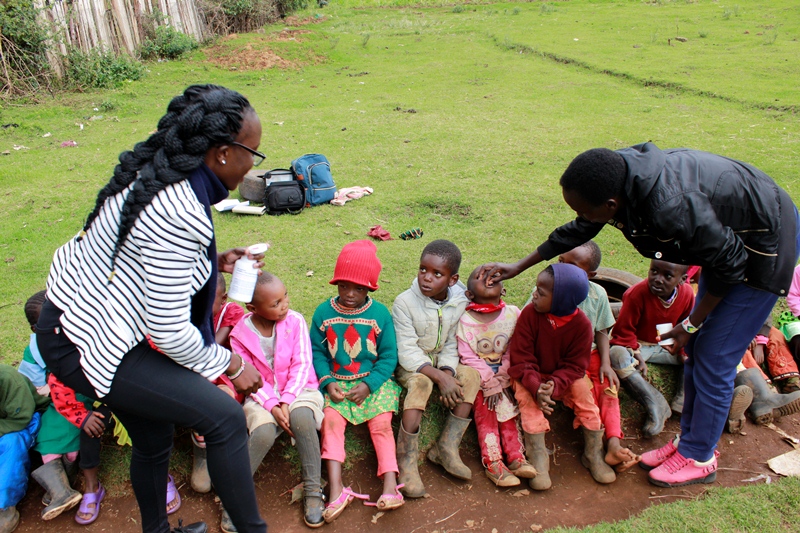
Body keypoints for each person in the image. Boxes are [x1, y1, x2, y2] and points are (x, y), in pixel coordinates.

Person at [480, 143, 800, 488]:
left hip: (763, 247)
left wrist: (691, 323)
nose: (581, 217)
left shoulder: (670, 209)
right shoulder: (617, 178)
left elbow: (732, 264)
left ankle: (699, 458)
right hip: (729, 239)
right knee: (699, 349)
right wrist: (518, 266)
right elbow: (579, 229)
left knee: (714, 354)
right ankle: (689, 443)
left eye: (585, 211)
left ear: (611, 206)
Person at [36, 84, 268, 533]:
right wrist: (233, 364)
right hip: (85, 341)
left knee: (154, 434)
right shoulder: (179, 208)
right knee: (221, 416)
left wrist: (211, 264)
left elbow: (142, 254)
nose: (252, 165)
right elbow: (168, 330)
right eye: (252, 154)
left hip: (86, 318)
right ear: (221, 154)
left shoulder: (163, 171)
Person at [311, 240, 403, 522]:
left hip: (373, 384)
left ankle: (390, 486)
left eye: (359, 288)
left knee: (382, 425)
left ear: (370, 288)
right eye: (343, 286)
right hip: (337, 383)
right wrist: (327, 382)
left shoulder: (380, 315)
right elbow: (316, 352)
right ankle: (337, 489)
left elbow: (388, 357)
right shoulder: (323, 313)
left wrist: (369, 385)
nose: (350, 294)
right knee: (330, 423)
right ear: (336, 284)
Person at [229, 273, 325, 530]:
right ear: (253, 308)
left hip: (300, 388)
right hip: (261, 395)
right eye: (275, 303)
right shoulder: (239, 335)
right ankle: (234, 499)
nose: (284, 305)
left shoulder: (295, 321)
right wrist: (272, 404)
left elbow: (302, 364)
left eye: (285, 297)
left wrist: (287, 400)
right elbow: (247, 377)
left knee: (302, 418)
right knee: (262, 433)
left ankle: (314, 490)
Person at [508, 263, 616, 489]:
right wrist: (537, 386)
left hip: (563, 378)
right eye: (536, 288)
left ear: (562, 300)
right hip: (530, 374)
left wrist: (553, 385)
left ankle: (593, 453)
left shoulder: (582, 326)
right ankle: (538, 455)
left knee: (584, 395)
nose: (534, 294)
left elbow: (576, 367)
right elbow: (521, 357)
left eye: (541, 292)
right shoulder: (530, 314)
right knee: (527, 401)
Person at [392, 239, 481, 497]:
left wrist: (449, 373)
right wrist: (438, 377)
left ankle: (446, 447)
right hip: (412, 365)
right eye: (422, 269)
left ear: (452, 280)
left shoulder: (459, 301)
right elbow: (407, 351)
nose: (426, 278)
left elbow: (454, 341)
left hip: (444, 362)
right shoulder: (404, 303)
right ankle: (406, 460)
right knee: (422, 383)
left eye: (437, 274)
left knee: (472, 376)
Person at [555, 242, 640, 471]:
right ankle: (595, 450)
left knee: (608, 385)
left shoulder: (598, 293)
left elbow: (602, 330)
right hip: (560, 359)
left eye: (571, 266)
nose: (562, 269)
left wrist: (605, 363)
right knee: (585, 389)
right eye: (560, 261)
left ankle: (614, 442)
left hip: (590, 352)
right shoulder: (548, 289)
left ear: (590, 275)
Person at [457, 267, 535, 487]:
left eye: (493, 276)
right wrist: (489, 382)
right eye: (479, 277)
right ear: (469, 294)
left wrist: (502, 377)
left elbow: (515, 347)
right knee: (486, 412)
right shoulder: (465, 321)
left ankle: (517, 457)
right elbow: (467, 356)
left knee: (508, 413)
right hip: (483, 380)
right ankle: (493, 463)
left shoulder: (513, 314)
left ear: (503, 288)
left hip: (505, 376)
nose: (488, 278)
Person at [608, 259, 694, 436]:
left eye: (667, 276)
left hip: (667, 342)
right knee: (616, 354)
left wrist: (684, 350)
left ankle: (683, 397)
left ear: (682, 279)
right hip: (640, 344)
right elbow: (623, 331)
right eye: (654, 271)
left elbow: (687, 325)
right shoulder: (636, 294)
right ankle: (654, 402)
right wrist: (636, 352)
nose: (658, 279)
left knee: (699, 349)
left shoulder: (687, 295)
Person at [18, 290, 83, 521]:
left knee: (72, 449)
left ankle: (61, 487)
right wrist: (46, 388)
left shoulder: (78, 333)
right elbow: (33, 382)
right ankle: (61, 491)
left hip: (79, 397)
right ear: (35, 329)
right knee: (47, 441)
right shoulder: (34, 349)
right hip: (55, 402)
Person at [190, 272, 246, 494]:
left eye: (207, 299)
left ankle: (223, 454)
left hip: (224, 374)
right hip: (196, 376)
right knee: (196, 394)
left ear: (223, 299)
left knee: (222, 396)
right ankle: (202, 454)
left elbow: (212, 346)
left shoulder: (231, 312)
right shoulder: (186, 314)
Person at [0, 365, 47, 533]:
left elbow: (20, 420)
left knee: (12, 444)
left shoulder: (9, 380)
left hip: (26, 421)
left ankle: (5, 505)